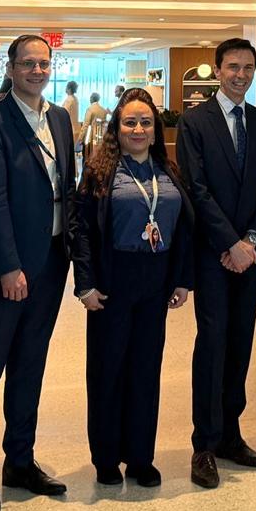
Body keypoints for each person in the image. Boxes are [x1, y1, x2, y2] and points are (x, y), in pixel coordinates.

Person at [0, 34, 75, 511]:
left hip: (51, 260)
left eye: (43, 63)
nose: (36, 70)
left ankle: (21, 461)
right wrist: (7, 266)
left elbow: (66, 187)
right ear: (10, 69)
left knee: (30, 363)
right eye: (27, 63)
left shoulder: (59, 119)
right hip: (8, 268)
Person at [70, 88, 194, 487]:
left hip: (156, 282)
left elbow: (184, 228)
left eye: (145, 122)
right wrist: (85, 284)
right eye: (130, 122)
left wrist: (182, 278)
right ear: (117, 128)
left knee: (145, 370)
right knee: (108, 370)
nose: (138, 129)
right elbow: (81, 230)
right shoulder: (100, 171)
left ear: (155, 129)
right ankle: (106, 458)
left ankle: (141, 457)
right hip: (113, 281)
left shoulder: (168, 170)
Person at [175, 37, 256, 489]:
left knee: (240, 343)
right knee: (213, 343)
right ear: (217, 70)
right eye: (233, 67)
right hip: (213, 254)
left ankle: (231, 435)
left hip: (249, 255)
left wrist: (251, 240)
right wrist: (230, 243)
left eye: (248, 68)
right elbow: (195, 189)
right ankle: (204, 443)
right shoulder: (194, 122)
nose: (241, 75)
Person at [81, 92, 109, 158]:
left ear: (91, 99)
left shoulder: (90, 109)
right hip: (99, 137)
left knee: (87, 157)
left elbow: (86, 125)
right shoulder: (103, 110)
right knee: (97, 157)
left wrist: (81, 138)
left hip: (89, 137)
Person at [62, 81, 82, 151]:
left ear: (69, 89)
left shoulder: (69, 100)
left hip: (70, 130)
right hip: (76, 128)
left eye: (66, 87)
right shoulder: (75, 99)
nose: (65, 89)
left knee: (67, 151)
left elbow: (64, 114)